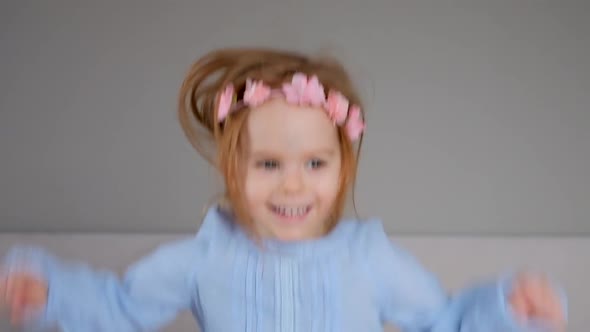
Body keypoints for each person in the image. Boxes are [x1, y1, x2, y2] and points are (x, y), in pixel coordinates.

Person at [0, 48, 567, 331]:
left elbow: (442, 320)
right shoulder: (205, 256)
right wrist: (49, 288)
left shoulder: (367, 258)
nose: (293, 183)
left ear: (343, 168)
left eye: (315, 163)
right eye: (268, 163)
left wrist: (505, 306)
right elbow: (122, 308)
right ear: (232, 171)